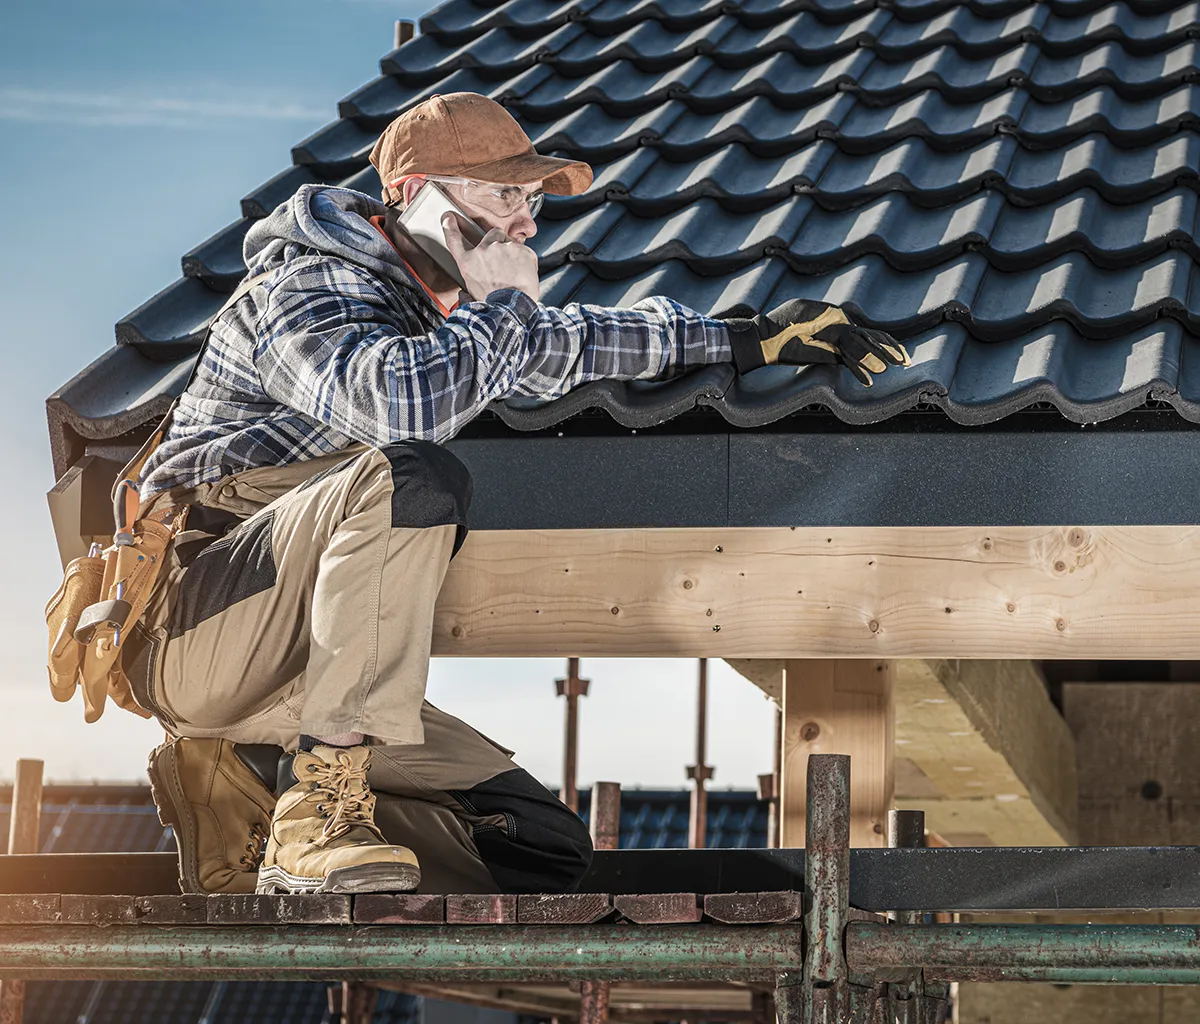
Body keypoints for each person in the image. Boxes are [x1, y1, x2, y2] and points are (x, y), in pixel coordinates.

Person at [130, 92, 909, 896]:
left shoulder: (444, 315)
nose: (526, 225)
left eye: (531, 201)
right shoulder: (302, 287)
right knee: (414, 476)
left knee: (540, 854)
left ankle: (254, 791)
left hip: (304, 686)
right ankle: (316, 813)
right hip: (206, 626)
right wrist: (505, 307)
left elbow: (577, 339)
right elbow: (397, 408)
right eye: (505, 196)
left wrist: (750, 337)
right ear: (412, 193)